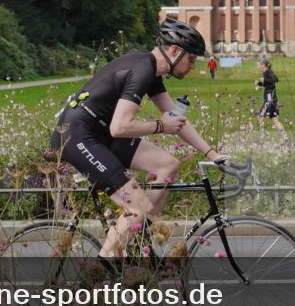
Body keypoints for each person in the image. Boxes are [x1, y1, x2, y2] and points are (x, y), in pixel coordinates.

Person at [50, 20, 226, 259]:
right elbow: (120, 126)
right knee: (137, 205)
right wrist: (162, 126)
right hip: (77, 135)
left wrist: (213, 155)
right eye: (192, 58)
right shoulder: (143, 69)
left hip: (98, 132)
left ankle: (138, 241)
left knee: (167, 165)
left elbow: (175, 118)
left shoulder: (152, 70)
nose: (193, 65)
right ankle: (102, 269)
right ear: (174, 51)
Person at [255, 59, 285, 132]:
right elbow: (271, 82)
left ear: (263, 65)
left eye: (259, 65)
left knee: (260, 116)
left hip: (269, 100)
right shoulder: (267, 72)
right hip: (272, 99)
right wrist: (259, 83)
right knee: (274, 120)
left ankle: (262, 137)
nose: (257, 66)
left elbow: (274, 80)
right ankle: (285, 138)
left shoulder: (268, 72)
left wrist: (264, 80)